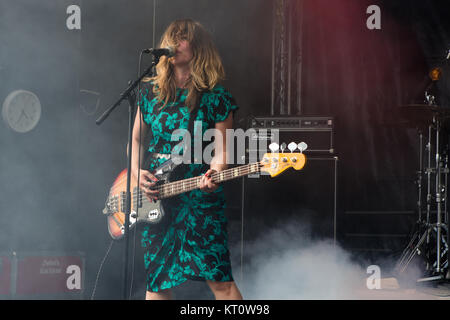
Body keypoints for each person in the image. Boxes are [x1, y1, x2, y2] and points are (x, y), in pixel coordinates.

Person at [131, 18, 243, 300]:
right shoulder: (150, 95)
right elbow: (136, 140)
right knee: (157, 283)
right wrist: (135, 172)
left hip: (199, 199)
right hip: (156, 196)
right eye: (172, 36)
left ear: (198, 48)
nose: (174, 43)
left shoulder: (216, 97)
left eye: (182, 37)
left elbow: (223, 151)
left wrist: (214, 175)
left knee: (220, 282)